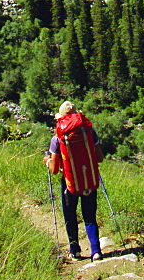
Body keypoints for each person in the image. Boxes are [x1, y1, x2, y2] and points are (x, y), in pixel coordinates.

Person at [45, 100, 105, 261]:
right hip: (89, 180)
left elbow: (55, 169)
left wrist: (47, 161)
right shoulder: (90, 133)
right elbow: (100, 158)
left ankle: (75, 250)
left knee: (70, 216)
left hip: (69, 182)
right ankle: (96, 251)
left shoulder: (57, 139)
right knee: (90, 216)